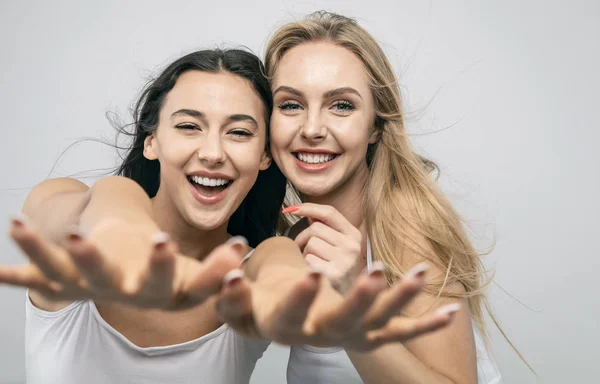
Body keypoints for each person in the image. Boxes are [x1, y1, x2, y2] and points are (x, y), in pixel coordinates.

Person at [1, 48, 456, 384]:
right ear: (151, 140)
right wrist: (121, 229)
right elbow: (63, 211)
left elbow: (279, 276)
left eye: (238, 132)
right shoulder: (73, 222)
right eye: (187, 126)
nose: (213, 152)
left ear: (263, 155)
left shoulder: (267, 254)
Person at [262, 11, 503, 383]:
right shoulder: (293, 237)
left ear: (375, 126)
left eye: (341, 105)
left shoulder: (406, 229)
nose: (311, 129)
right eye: (291, 105)